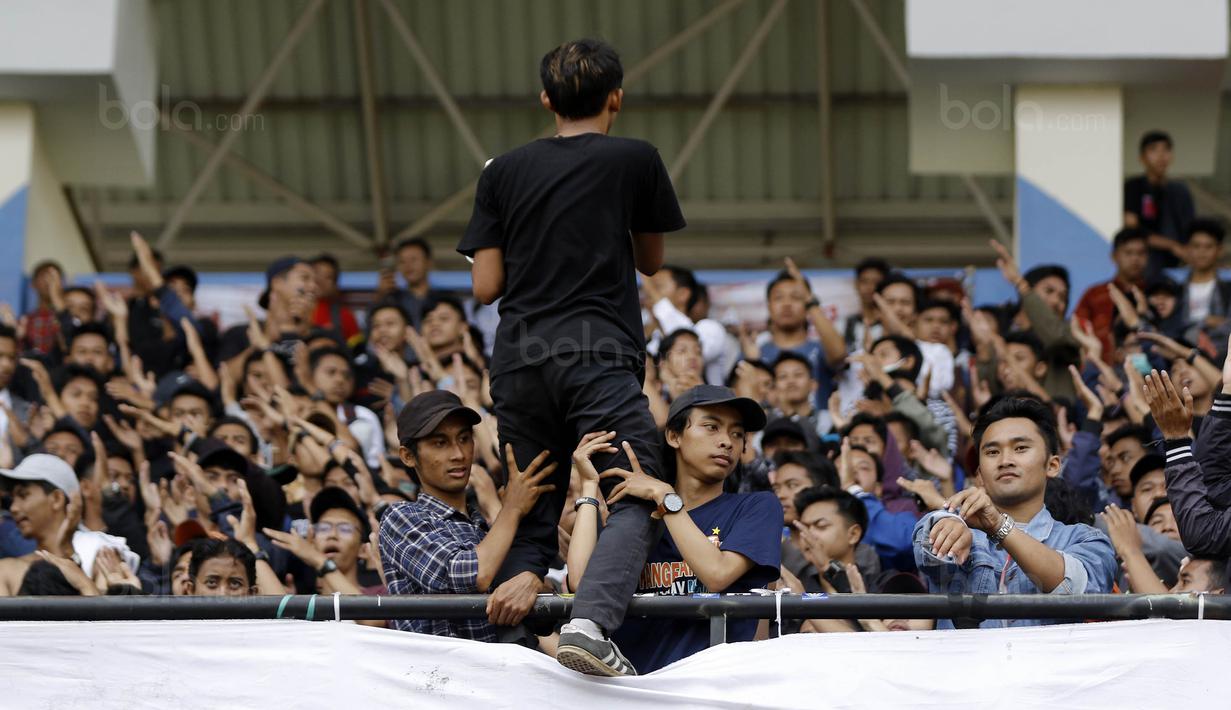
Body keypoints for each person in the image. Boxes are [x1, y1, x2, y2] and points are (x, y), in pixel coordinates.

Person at [458, 38, 686, 669]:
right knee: (639, 484)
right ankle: (590, 622)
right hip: (595, 350)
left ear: (545, 101)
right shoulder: (635, 159)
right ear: (616, 98)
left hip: (520, 359)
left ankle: (511, 652)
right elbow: (650, 260)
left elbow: (485, 286)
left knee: (527, 498)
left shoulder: (501, 169)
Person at [561, 385, 779, 675]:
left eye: (737, 434)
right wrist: (589, 486)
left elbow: (717, 574)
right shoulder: (637, 515)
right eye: (712, 427)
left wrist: (664, 495)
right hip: (631, 687)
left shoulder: (757, 506)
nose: (727, 441)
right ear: (674, 436)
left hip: (710, 687)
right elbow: (581, 580)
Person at [912, 398, 1116, 628]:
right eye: (992, 452)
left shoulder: (1086, 539)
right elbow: (925, 545)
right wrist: (948, 521)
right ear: (979, 474)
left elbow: (1077, 590)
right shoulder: (956, 527)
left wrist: (999, 527)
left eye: (1020, 448)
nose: (1005, 460)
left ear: (1053, 466)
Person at [378, 391, 554, 640]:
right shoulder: (401, 516)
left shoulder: (487, 529)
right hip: (440, 674)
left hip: (502, 673)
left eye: (464, 438)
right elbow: (470, 575)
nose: (458, 454)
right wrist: (512, 508)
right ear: (408, 456)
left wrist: (532, 581)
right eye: (440, 443)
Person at [0, 454, 139, 594]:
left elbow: (112, 614)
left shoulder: (101, 552)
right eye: (13, 498)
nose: (13, 508)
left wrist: (70, 554)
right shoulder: (5, 570)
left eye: (23, 495)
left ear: (57, 499)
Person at [1123, 130, 1195, 278]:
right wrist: (1172, 246)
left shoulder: (1180, 190)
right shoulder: (1134, 187)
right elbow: (1132, 227)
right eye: (1154, 150)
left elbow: (1191, 228)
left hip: (1180, 264)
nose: (1161, 156)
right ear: (1142, 158)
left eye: (1166, 150)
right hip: (1147, 263)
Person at [1074, 228, 1150, 362]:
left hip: (1147, 373)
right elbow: (1077, 331)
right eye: (1128, 253)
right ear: (1114, 256)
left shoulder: (1155, 294)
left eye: (1141, 253)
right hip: (1099, 371)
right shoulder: (1094, 294)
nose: (1135, 258)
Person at [376, 237, 439, 330]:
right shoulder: (392, 300)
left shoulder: (443, 299)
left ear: (428, 262)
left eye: (413, 259)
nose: (408, 266)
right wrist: (380, 296)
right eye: (402, 261)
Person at [309, 254, 361, 347]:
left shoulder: (345, 316)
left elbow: (358, 351)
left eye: (328, 277)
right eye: (317, 273)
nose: (320, 280)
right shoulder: (293, 310)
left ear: (335, 285)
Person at [844, 258, 890, 352]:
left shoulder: (892, 324)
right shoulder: (845, 324)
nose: (870, 287)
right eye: (865, 281)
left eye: (876, 282)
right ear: (856, 284)